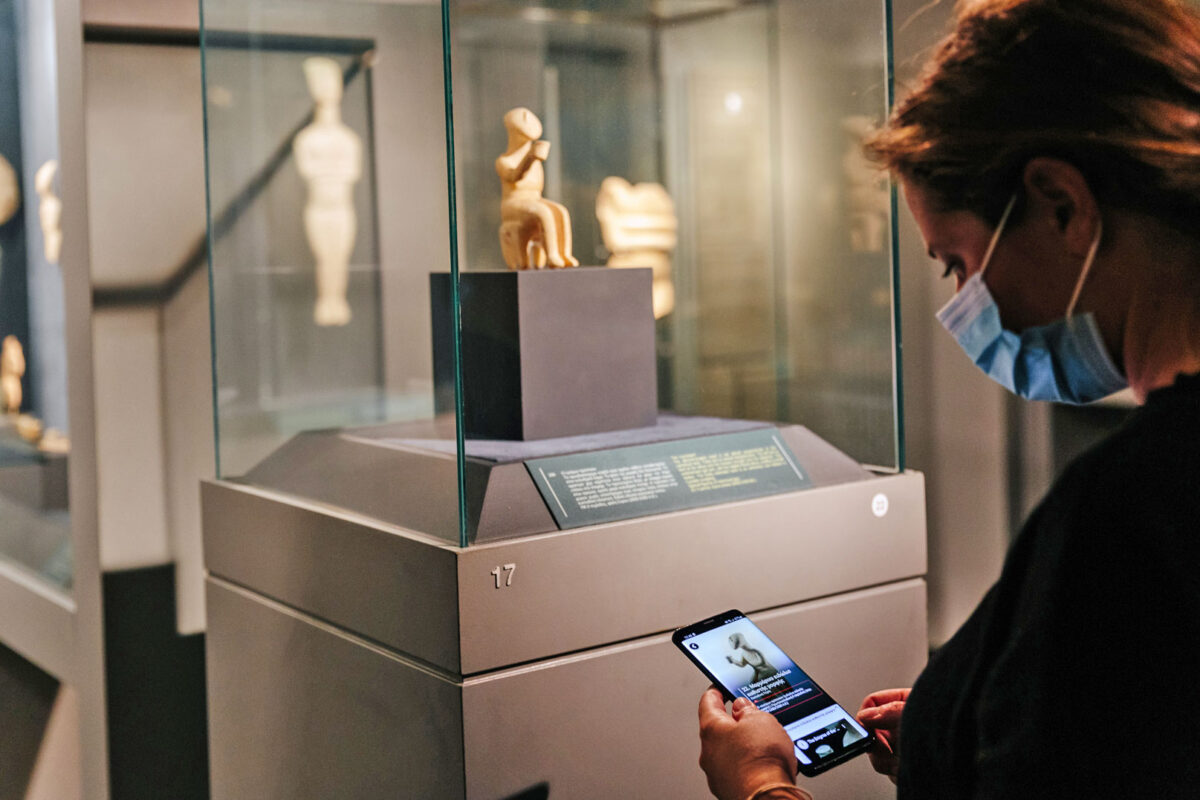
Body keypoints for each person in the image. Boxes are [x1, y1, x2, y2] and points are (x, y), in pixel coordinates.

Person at [696, 1, 1200, 798]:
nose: (965, 300)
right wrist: (957, 727)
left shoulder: (1130, 516)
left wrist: (761, 783)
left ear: (1062, 206)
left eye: (955, 263)